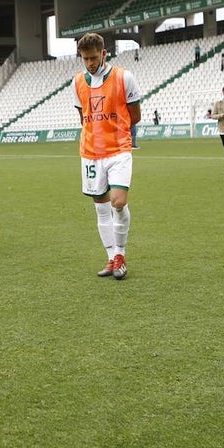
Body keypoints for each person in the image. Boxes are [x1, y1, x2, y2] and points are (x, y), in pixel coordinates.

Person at [72, 32, 141, 279]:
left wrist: (116, 130)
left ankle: (120, 254)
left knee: (118, 202)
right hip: (90, 153)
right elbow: (83, 116)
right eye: (85, 58)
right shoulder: (77, 81)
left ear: (104, 53)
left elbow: (136, 115)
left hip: (118, 150)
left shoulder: (124, 77)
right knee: (100, 208)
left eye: (93, 57)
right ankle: (111, 258)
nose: (90, 63)